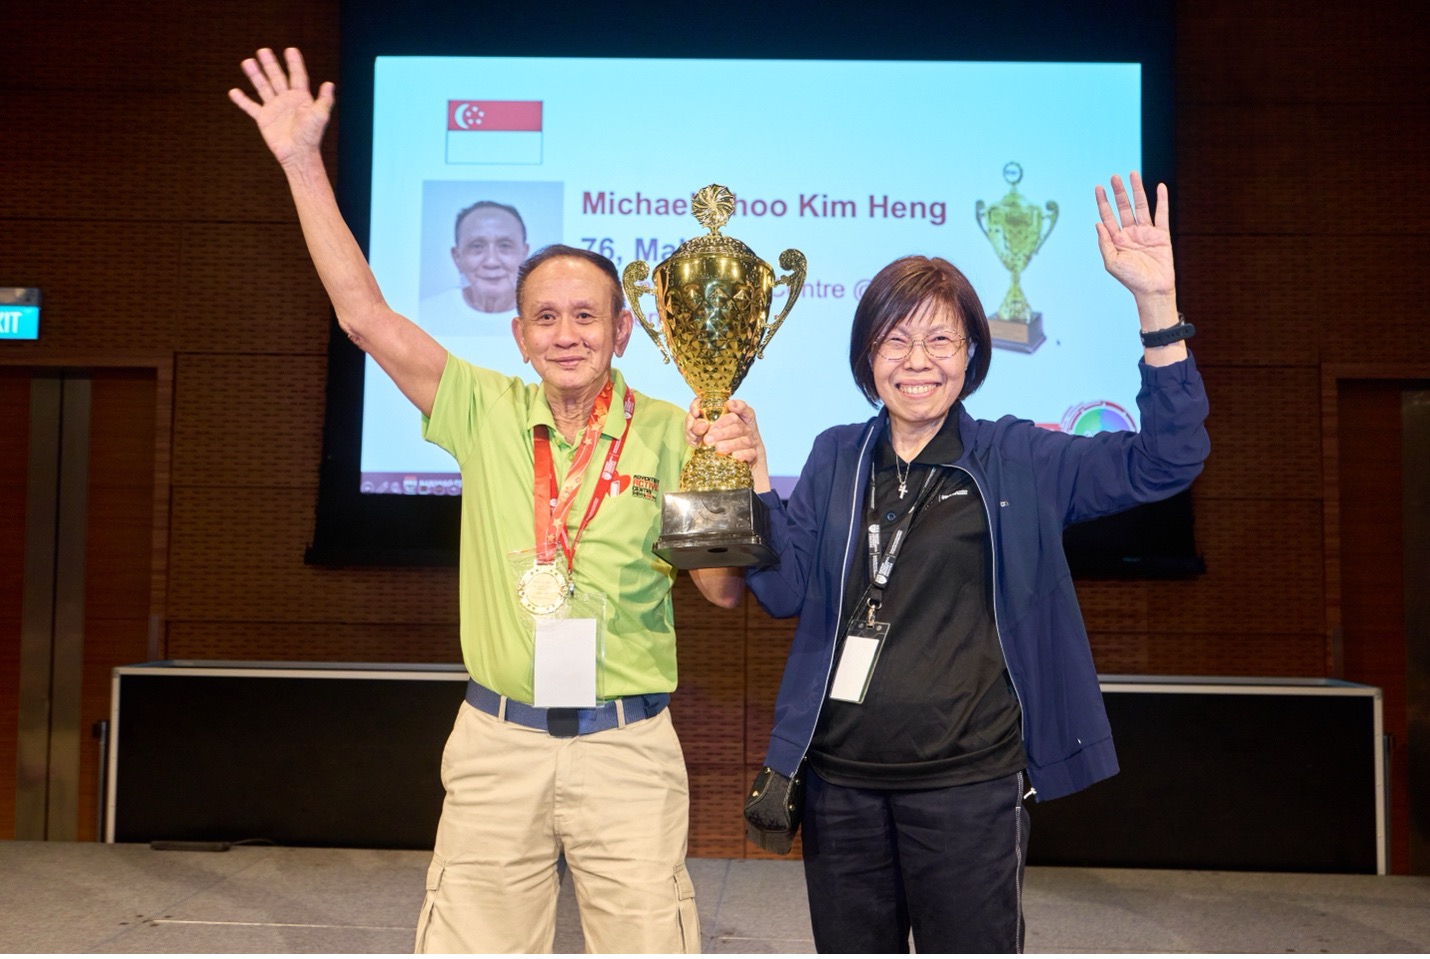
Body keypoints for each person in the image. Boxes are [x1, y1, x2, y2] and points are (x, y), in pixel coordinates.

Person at [230, 47, 744, 954]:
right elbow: (364, 318)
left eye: (586, 315)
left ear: (623, 329)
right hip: (498, 741)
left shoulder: (676, 431)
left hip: (628, 749)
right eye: (546, 317)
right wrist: (301, 160)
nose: (566, 334)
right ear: (518, 334)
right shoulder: (483, 409)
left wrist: (728, 476)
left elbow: (720, 590)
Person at [692, 172, 1209, 953]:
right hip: (841, 787)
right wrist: (757, 480)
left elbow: (1168, 460)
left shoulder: (1019, 457)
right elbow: (784, 589)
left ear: (971, 352)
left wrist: (1156, 306)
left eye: (941, 339)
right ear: (868, 356)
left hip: (968, 788)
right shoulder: (836, 455)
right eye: (895, 340)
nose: (918, 360)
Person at [420, 200, 530, 336]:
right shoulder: (424, 315)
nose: (491, 261)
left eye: (505, 246)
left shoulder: (544, 313)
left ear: (524, 254)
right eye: (477, 246)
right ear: (457, 257)